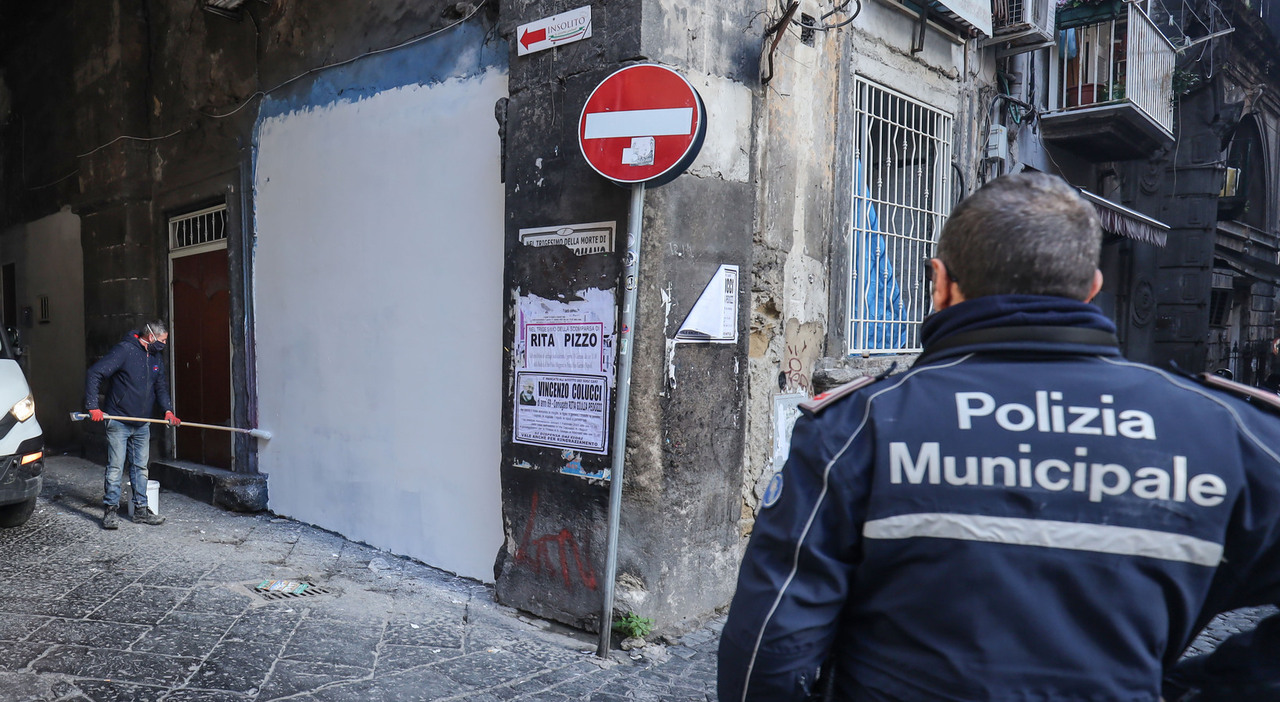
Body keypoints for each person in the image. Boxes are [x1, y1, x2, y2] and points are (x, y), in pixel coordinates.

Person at [718, 173, 1280, 701]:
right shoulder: (1229, 434)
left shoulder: (858, 429)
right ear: (1092, 289)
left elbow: (771, 644)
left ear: (939, 284)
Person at [84, 321, 180, 529]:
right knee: (116, 467)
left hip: (142, 422)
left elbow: (160, 386)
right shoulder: (124, 351)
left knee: (140, 468)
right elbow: (95, 373)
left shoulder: (155, 357)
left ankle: (141, 511)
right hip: (118, 420)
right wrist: (93, 406)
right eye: (163, 340)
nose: (164, 344)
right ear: (151, 336)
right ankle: (110, 511)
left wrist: (168, 410)